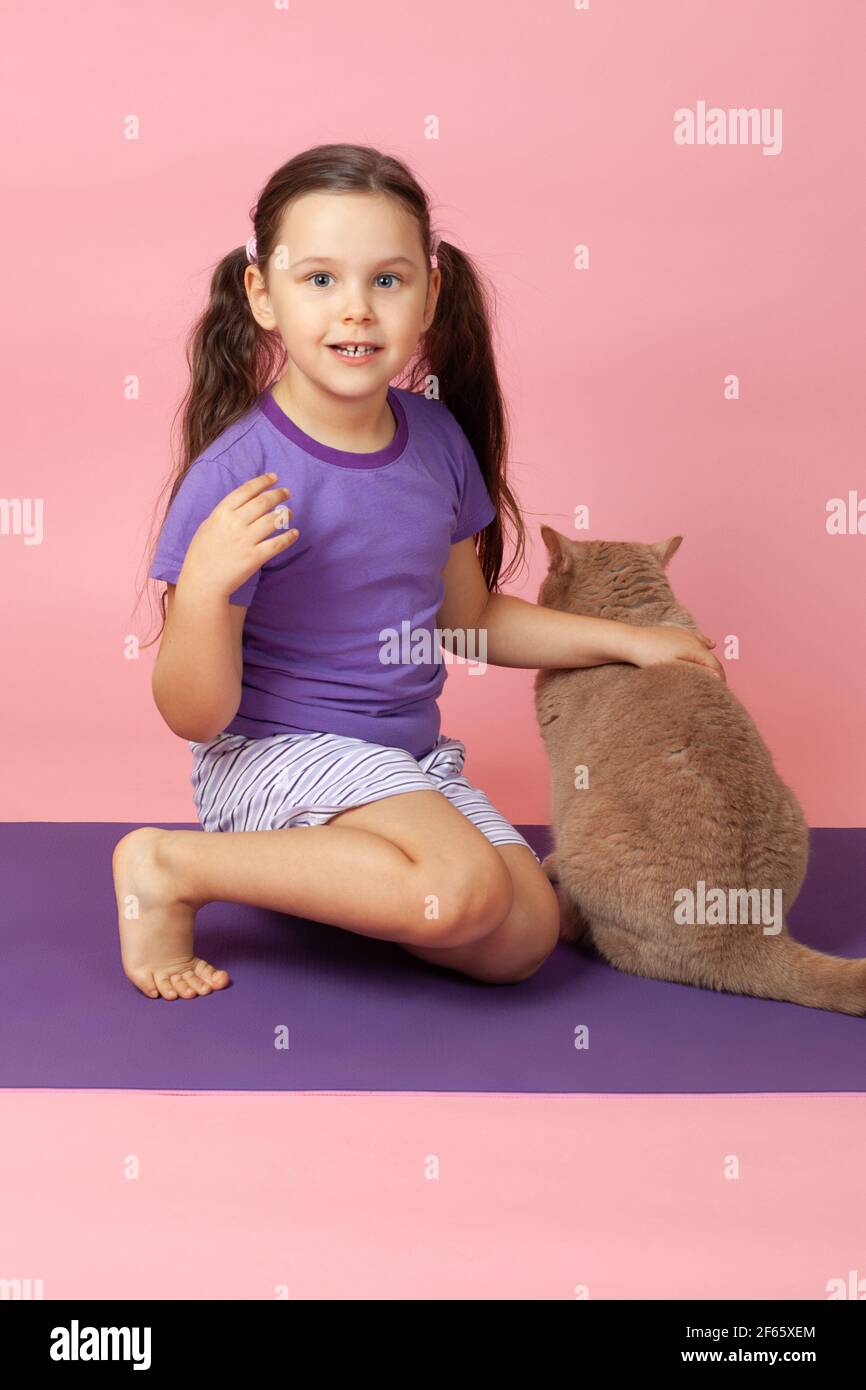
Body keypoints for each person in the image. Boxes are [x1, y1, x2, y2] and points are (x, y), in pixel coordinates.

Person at [114, 142, 723, 1001]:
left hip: (404, 762)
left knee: (521, 937)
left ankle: (341, 877)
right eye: (319, 279)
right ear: (263, 295)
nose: (356, 311)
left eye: (387, 281)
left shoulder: (436, 442)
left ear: (431, 293)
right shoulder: (236, 474)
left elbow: (466, 620)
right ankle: (169, 864)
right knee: (462, 889)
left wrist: (634, 641)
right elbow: (192, 712)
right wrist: (208, 588)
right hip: (269, 756)